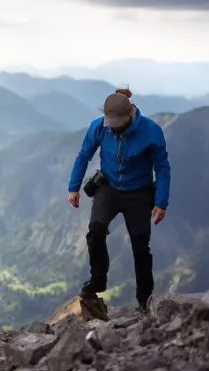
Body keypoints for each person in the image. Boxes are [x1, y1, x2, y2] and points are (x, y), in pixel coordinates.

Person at [67, 88, 171, 312]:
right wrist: (73, 187)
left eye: (116, 122)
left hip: (139, 193)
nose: (112, 126)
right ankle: (97, 280)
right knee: (95, 230)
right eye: (109, 122)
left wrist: (161, 201)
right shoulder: (99, 126)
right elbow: (84, 155)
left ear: (130, 114)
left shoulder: (151, 132)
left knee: (140, 246)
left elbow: (162, 168)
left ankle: (144, 299)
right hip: (109, 188)